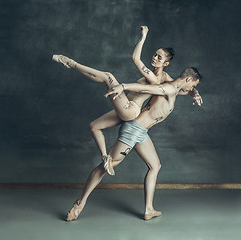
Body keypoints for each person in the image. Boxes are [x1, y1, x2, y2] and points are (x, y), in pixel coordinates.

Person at [52, 26, 201, 175]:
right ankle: (106, 157)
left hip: (131, 109)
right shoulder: (167, 78)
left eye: (159, 58)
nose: (154, 58)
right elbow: (182, 87)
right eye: (155, 55)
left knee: (107, 76)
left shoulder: (155, 78)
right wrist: (195, 93)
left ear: (165, 64)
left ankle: (71, 63)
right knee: (94, 126)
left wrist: (143, 37)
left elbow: (135, 58)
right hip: (125, 106)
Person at [66, 66, 203, 221]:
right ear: (188, 79)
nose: (192, 88)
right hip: (133, 130)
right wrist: (123, 86)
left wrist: (195, 94)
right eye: (193, 85)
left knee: (155, 166)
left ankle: (149, 209)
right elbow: (144, 87)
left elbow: (187, 91)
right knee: (106, 166)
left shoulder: (175, 87)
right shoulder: (169, 88)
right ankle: (79, 204)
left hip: (142, 133)